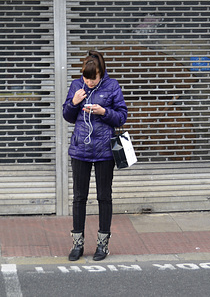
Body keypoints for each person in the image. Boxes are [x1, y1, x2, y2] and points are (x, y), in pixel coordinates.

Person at [62, 50, 128, 261]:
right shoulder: (76, 86)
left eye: (93, 78)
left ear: (101, 73)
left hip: (105, 152)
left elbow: (121, 117)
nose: (89, 82)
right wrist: (74, 102)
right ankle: (78, 245)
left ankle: (102, 245)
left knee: (103, 197)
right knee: (79, 198)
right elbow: (67, 116)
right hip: (80, 149)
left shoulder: (112, 86)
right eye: (86, 78)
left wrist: (104, 112)